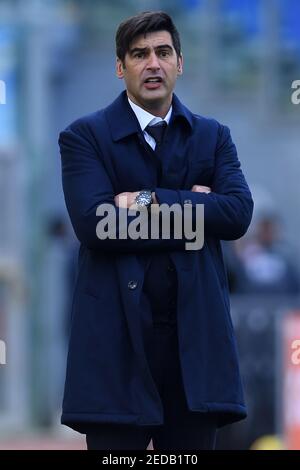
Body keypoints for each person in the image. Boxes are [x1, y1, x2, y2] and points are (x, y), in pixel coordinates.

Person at [58, 11, 253, 450]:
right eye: (139, 54)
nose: (153, 64)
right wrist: (200, 209)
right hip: (117, 348)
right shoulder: (83, 137)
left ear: (179, 63)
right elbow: (96, 225)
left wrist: (149, 199)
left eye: (163, 53)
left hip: (194, 352)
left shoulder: (213, 136)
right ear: (119, 66)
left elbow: (238, 213)